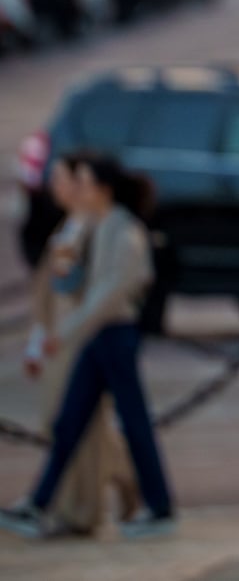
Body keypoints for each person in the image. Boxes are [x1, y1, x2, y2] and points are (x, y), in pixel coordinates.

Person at [0, 153, 175, 540]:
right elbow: (70, 282)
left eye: (82, 182)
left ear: (102, 189)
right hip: (97, 336)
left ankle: (159, 506)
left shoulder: (122, 229)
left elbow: (112, 290)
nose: (76, 190)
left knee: (133, 423)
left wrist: (66, 329)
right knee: (71, 421)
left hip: (115, 334)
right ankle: (38, 503)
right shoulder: (91, 227)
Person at [16, 155, 140, 537]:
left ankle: (82, 510)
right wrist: (37, 338)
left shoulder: (95, 227)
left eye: (66, 179)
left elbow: (90, 287)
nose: (58, 187)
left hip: (78, 338)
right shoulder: (68, 226)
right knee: (76, 424)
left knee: (76, 424)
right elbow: (45, 291)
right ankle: (123, 479)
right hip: (60, 338)